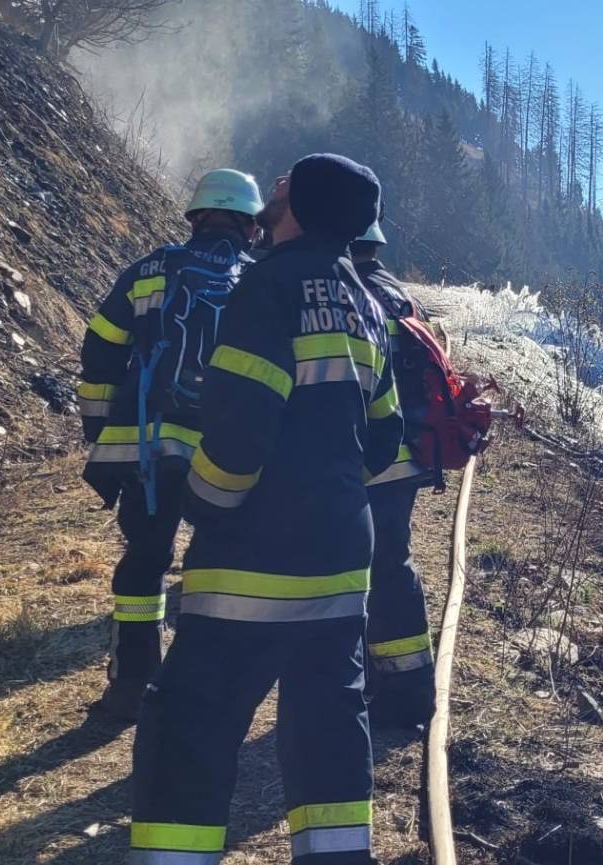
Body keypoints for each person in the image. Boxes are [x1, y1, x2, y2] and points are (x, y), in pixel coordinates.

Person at [128, 154, 400, 865]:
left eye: (282, 184)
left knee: (189, 726)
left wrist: (205, 501)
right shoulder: (367, 304)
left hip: (250, 565)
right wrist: (327, 487)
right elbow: (385, 437)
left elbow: (240, 433)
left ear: (301, 206)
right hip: (341, 566)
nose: (271, 190)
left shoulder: (268, 288)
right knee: (328, 735)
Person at [76, 168, 261, 724]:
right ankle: (201, 689)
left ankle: (131, 686)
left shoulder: (148, 270)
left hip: (149, 449)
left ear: (196, 216)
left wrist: (103, 432)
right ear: (250, 225)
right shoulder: (258, 280)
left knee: (145, 560)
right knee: (217, 567)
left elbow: (100, 350)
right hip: (224, 452)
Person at [350, 222, 438, 730]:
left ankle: (390, 692)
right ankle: (404, 687)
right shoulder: (401, 294)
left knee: (364, 567)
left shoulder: (348, 294)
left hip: (367, 455)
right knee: (390, 563)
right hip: (407, 455)